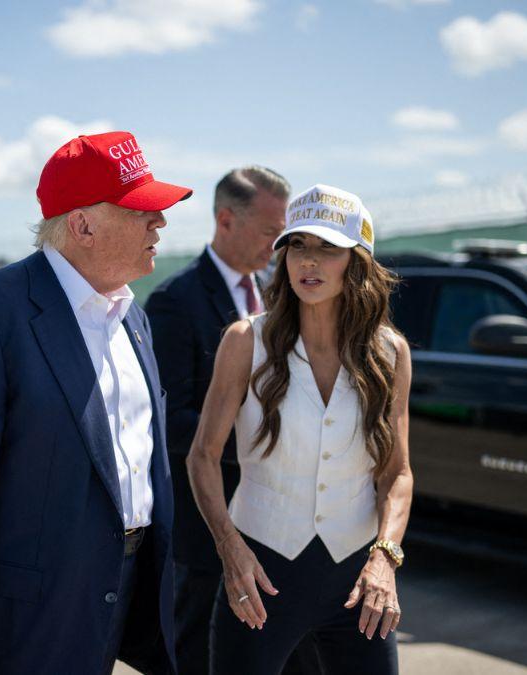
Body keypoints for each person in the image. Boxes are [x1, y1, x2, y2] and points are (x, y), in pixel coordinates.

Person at [0, 131, 191, 675]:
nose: (161, 224)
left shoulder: (133, 318)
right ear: (82, 225)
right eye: (142, 211)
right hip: (17, 620)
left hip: (111, 600)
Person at [188, 185, 413, 674]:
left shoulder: (389, 352)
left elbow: (397, 473)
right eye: (297, 246)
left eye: (327, 249)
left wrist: (385, 561)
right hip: (261, 578)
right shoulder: (246, 341)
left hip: (356, 581)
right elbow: (202, 456)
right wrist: (231, 550)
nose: (308, 262)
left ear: (357, 260)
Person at [147, 166, 325, 675]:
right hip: (210, 529)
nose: (279, 245)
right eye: (272, 232)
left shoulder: (282, 294)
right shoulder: (175, 303)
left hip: (284, 525)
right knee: (198, 657)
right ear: (226, 220)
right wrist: (262, 441)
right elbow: (169, 419)